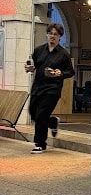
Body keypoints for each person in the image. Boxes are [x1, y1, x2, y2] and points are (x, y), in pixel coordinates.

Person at [24, 23, 74, 153]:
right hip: (37, 87)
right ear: (47, 35)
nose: (52, 36)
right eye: (50, 33)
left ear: (60, 37)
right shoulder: (38, 50)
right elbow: (33, 66)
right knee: (33, 113)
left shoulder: (64, 54)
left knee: (41, 115)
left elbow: (71, 72)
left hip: (52, 89)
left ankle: (40, 144)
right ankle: (52, 122)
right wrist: (29, 68)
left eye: (55, 34)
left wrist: (61, 73)